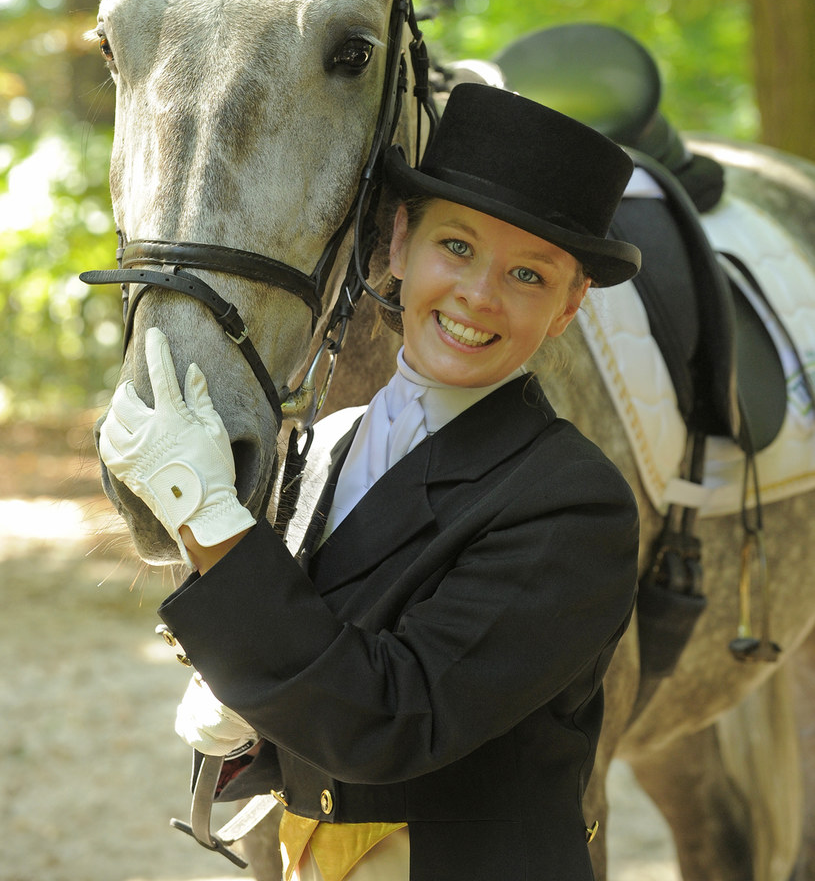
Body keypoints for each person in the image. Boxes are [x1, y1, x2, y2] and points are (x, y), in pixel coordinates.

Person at [99, 84, 642, 881]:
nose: (478, 296)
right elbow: (323, 658)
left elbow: (389, 721)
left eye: (528, 275)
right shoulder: (327, 443)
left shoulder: (571, 502)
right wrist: (255, 717)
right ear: (397, 244)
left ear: (566, 309)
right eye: (455, 247)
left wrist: (203, 510)